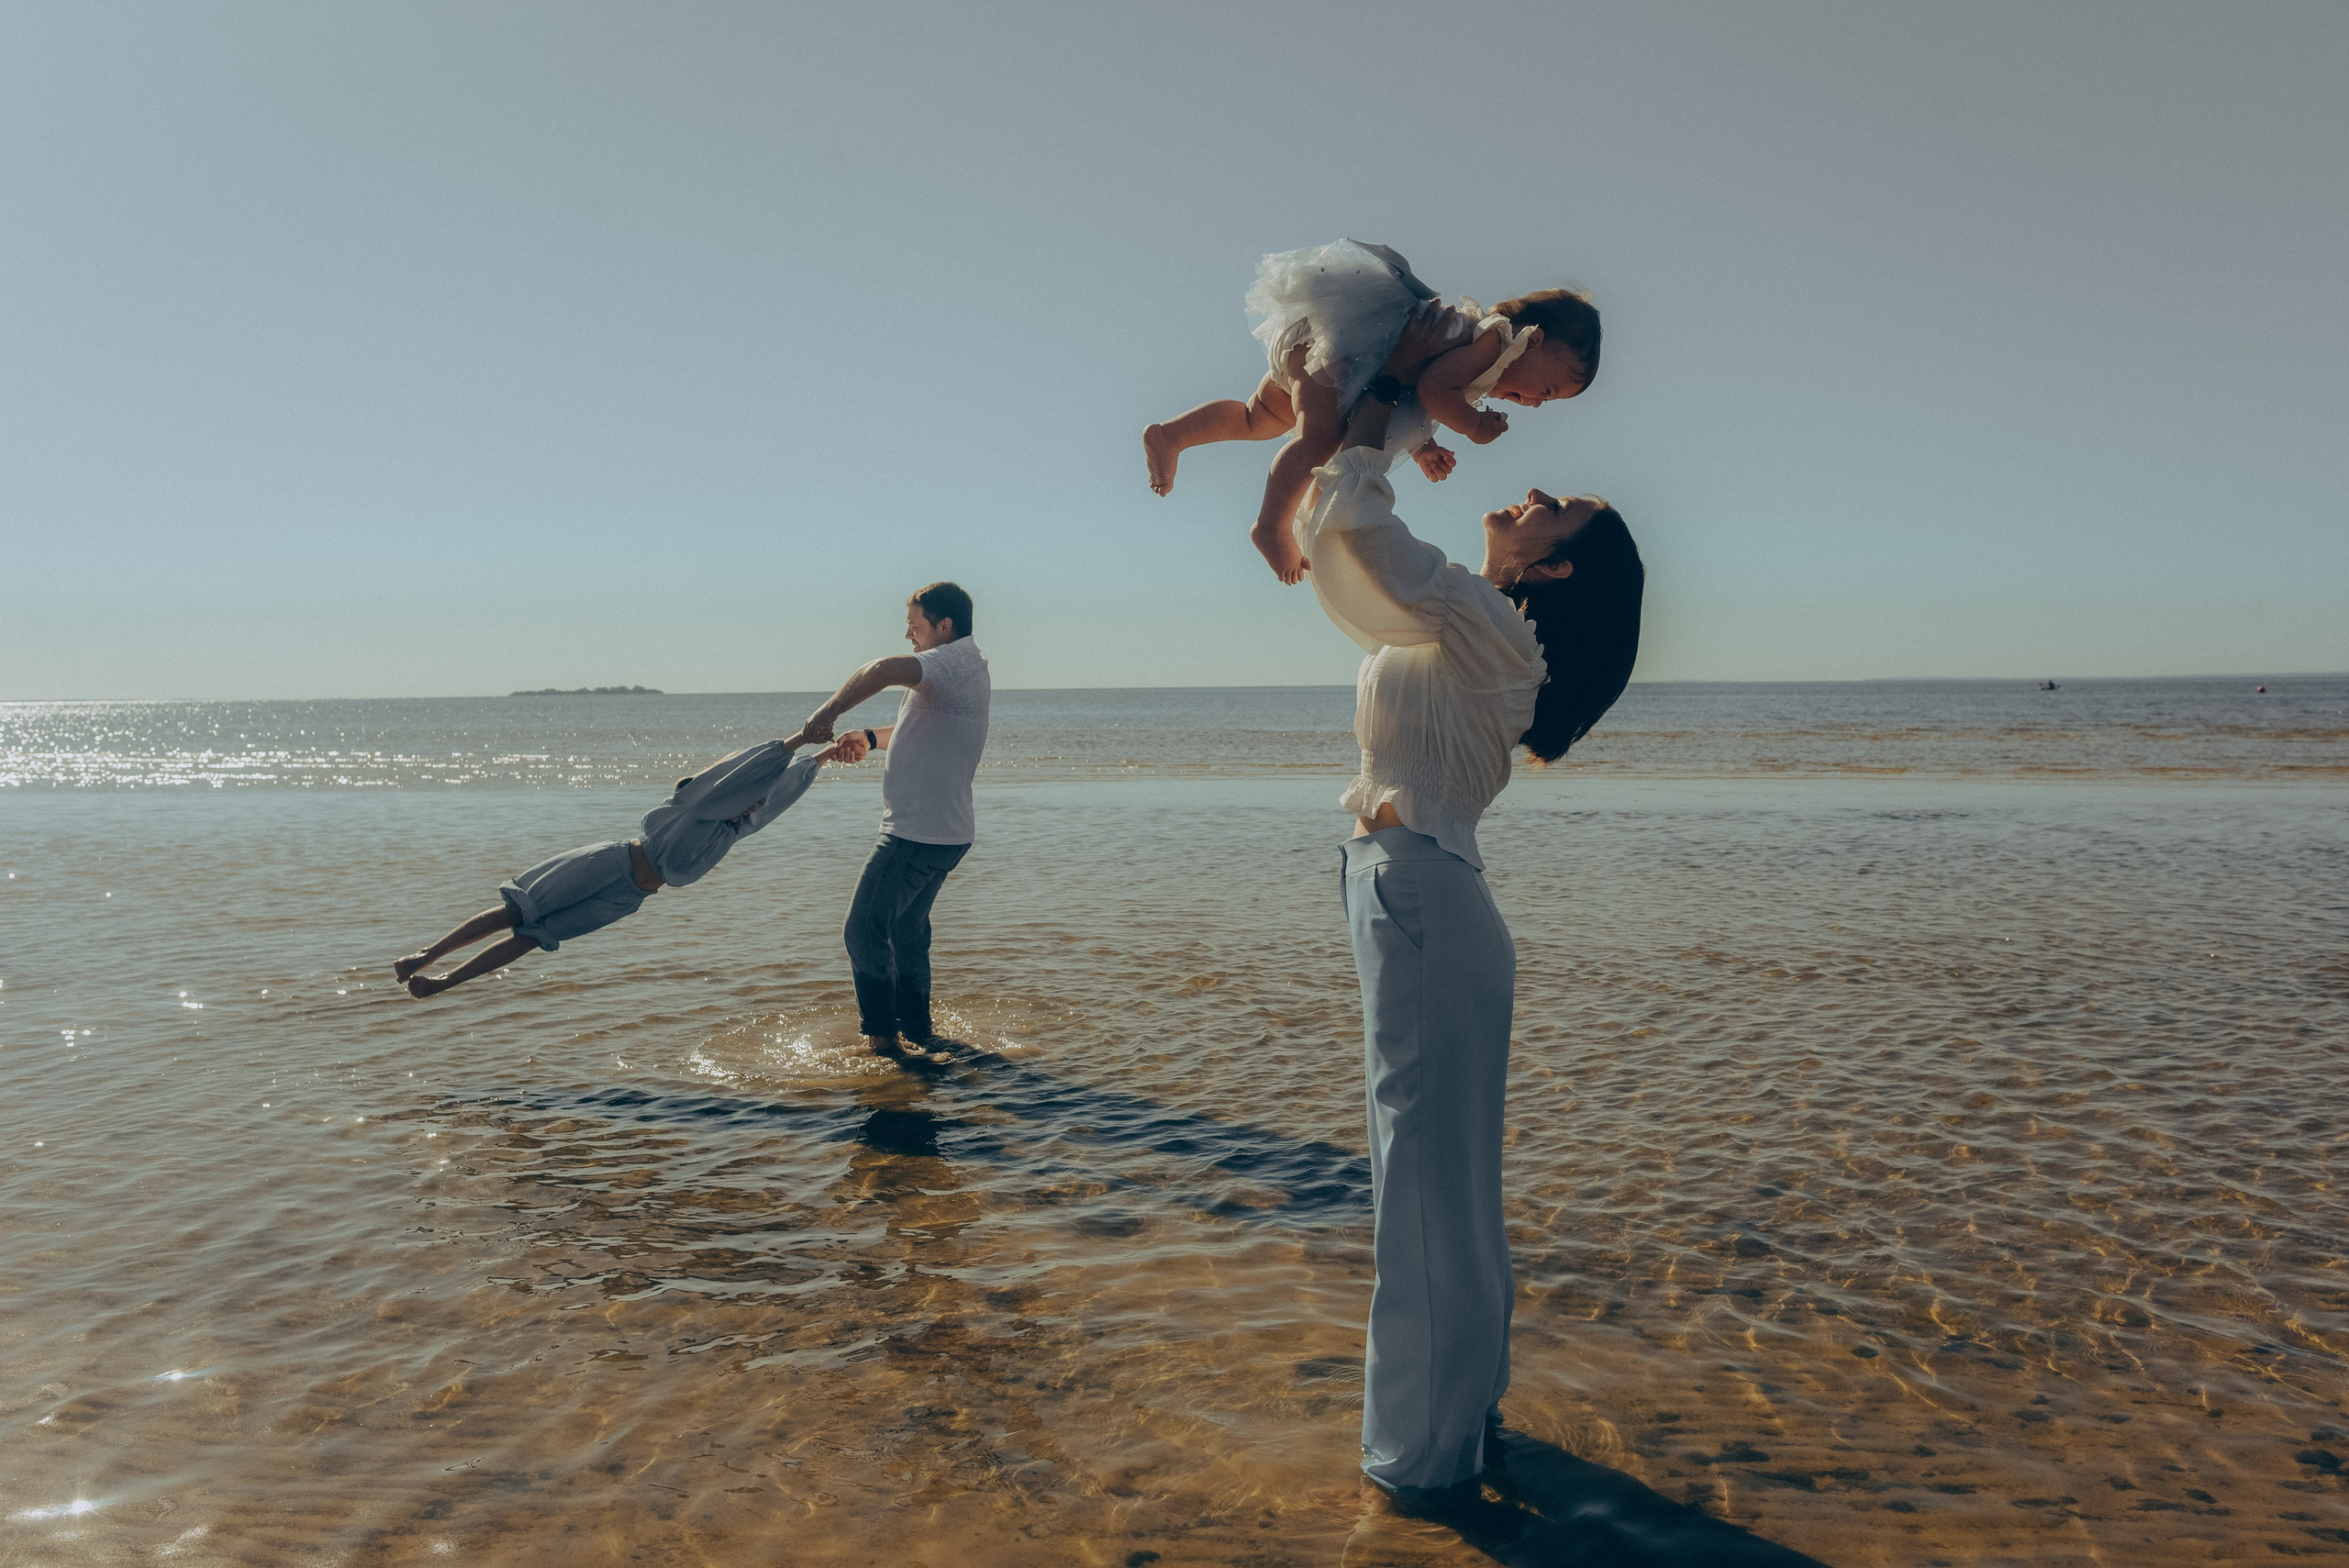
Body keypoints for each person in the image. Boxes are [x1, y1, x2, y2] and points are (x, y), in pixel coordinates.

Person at [1303, 311, 1644, 1512]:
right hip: (1415, 900)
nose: (1536, 489)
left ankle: (1422, 1462)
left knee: (1425, 1192)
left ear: (1551, 569)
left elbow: (1354, 532)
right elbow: (1341, 545)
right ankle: (1463, 1421)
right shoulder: (1472, 625)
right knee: (1437, 1181)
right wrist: (1380, 406)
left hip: (1426, 904)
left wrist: (1395, 388)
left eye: (1563, 509)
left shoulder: (1494, 629)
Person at [1141, 238, 1601, 584]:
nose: (1537, 402)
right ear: (1534, 339)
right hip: (1341, 351)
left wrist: (1425, 446)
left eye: (1547, 401)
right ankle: (1271, 526)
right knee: (1318, 440)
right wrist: (1474, 425)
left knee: (1256, 417)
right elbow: (1432, 388)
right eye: (1547, 387)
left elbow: (1415, 397)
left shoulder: (1482, 357)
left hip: (1333, 353)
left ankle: (1172, 435)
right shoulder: (1495, 341)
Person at [392, 729, 867, 998]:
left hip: (628, 897)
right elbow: (749, 768)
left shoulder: (732, 830)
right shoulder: (696, 804)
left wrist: (826, 754)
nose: (751, 805)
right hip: (609, 863)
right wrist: (806, 736)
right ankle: (424, 955)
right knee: (517, 911)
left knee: (534, 938)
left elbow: (781, 792)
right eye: (746, 799)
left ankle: (445, 983)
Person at [801, 582, 991, 1061]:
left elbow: (883, 670)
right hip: (946, 833)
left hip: (915, 834)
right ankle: (919, 1032)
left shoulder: (948, 663)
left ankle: (884, 1044)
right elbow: (922, 728)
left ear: (944, 627)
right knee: (906, 932)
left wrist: (829, 710)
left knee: (863, 930)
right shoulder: (963, 668)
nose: (909, 635)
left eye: (915, 626)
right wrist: (868, 736)